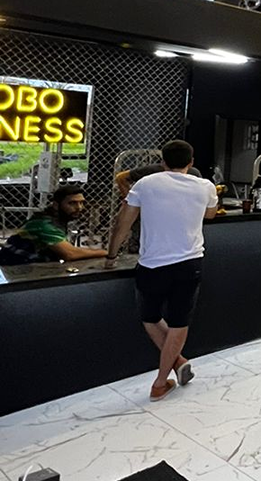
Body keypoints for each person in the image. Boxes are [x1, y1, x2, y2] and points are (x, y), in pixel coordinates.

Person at [107, 140, 218, 401]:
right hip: (190, 263)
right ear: (191, 162)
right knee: (180, 321)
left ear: (163, 161)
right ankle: (170, 371)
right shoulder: (205, 186)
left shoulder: (145, 184)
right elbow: (210, 214)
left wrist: (111, 255)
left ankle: (166, 375)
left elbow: (123, 223)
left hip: (152, 265)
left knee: (150, 317)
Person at [0, 186, 107, 264]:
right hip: (13, 270)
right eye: (72, 203)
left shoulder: (57, 219)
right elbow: (70, 254)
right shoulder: (44, 224)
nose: (79, 207)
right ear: (56, 205)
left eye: (81, 202)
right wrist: (106, 252)